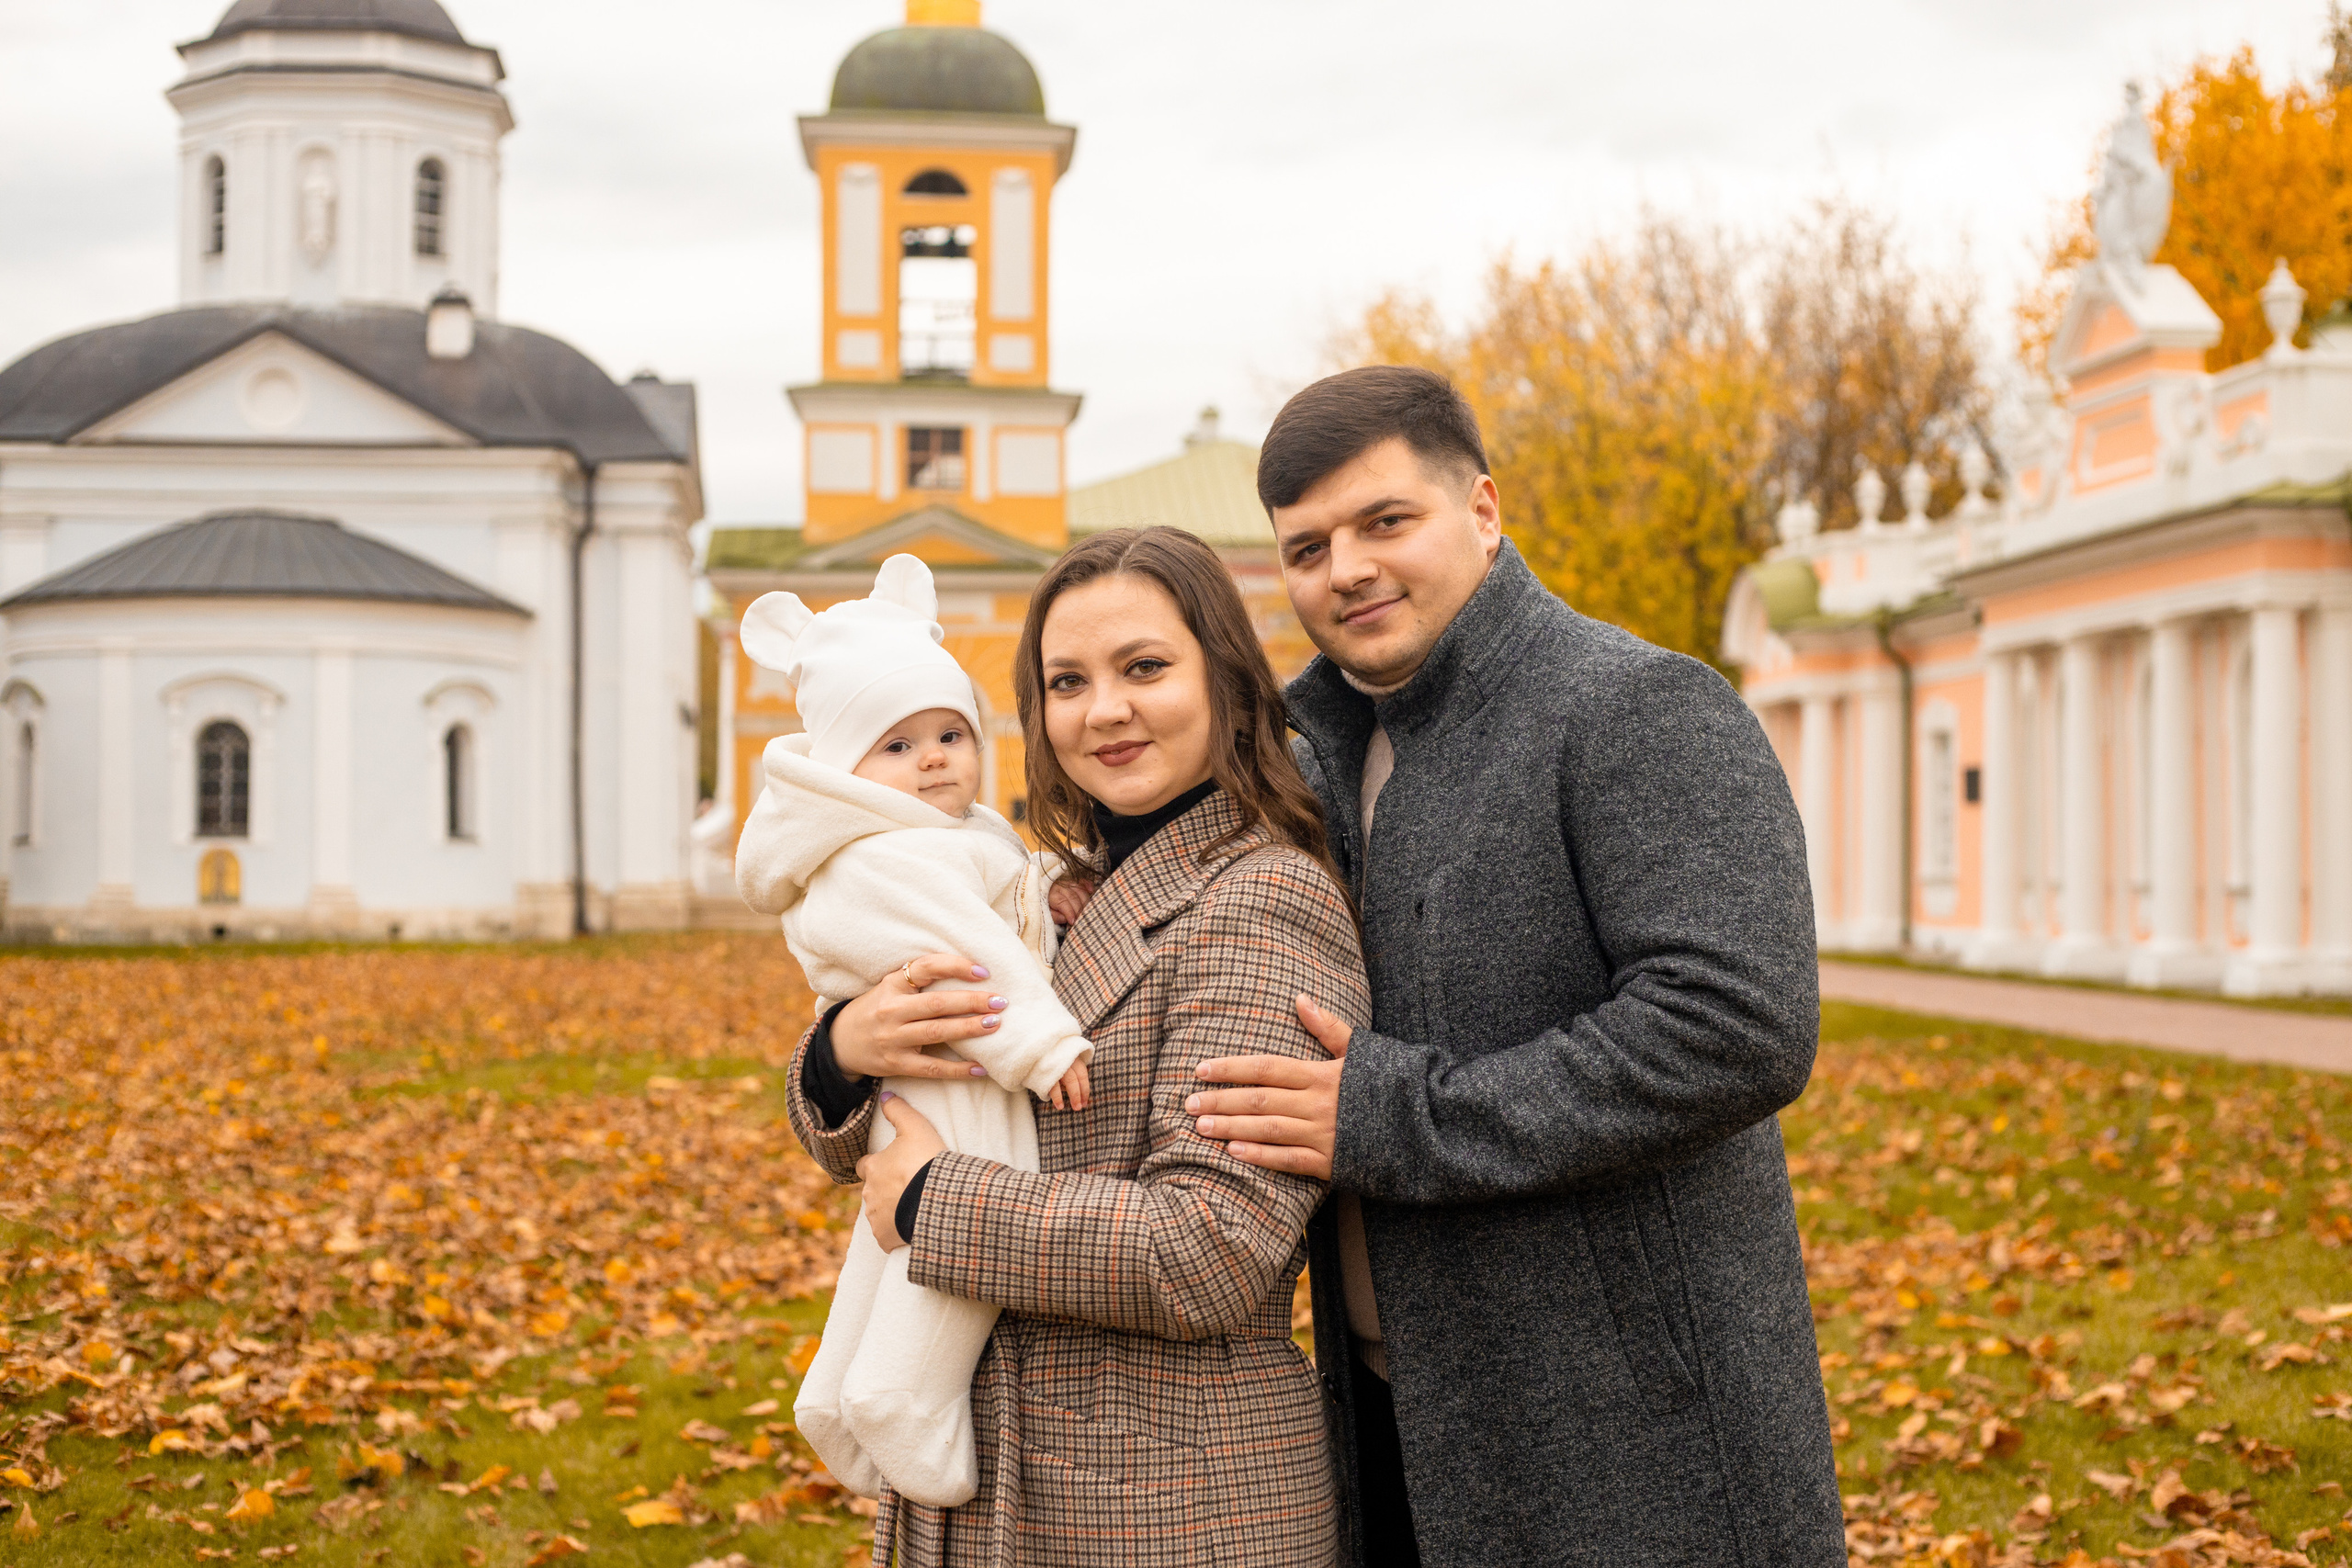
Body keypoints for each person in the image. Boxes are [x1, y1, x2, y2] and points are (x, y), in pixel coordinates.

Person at [1182, 367, 1845, 1567]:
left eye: (1388, 522)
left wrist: (1393, 1115)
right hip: (1396, 1418)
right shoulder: (1299, 751)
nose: (1348, 570)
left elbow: (1738, 1022)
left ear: (1482, 509)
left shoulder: (1635, 706)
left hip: (1640, 1433)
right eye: (1309, 546)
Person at [782, 526, 1367, 1567]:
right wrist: (842, 1053)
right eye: (1066, 680)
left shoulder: (1259, 897)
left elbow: (1210, 1252)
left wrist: (930, 1201)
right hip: (1007, 1470)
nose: (1104, 710)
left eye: (1144, 667)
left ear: (1226, 680)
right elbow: (919, 1120)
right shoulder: (1034, 890)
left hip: (1167, 1503)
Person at [732, 553, 1093, 1507]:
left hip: (920, 1080)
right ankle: (893, 1394)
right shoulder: (894, 856)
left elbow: (1004, 896)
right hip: (967, 1077)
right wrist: (1044, 1047)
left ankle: (836, 1392)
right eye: (896, 747)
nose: (932, 758)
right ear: (846, 768)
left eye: (948, 733)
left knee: (886, 1247)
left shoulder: (917, 838)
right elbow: (980, 954)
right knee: (956, 1240)